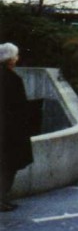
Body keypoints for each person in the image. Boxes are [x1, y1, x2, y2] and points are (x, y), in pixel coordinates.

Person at [0, 42, 35, 211]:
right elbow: (20, 107)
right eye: (16, 55)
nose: (17, 58)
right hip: (10, 130)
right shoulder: (13, 79)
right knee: (9, 166)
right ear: (10, 59)